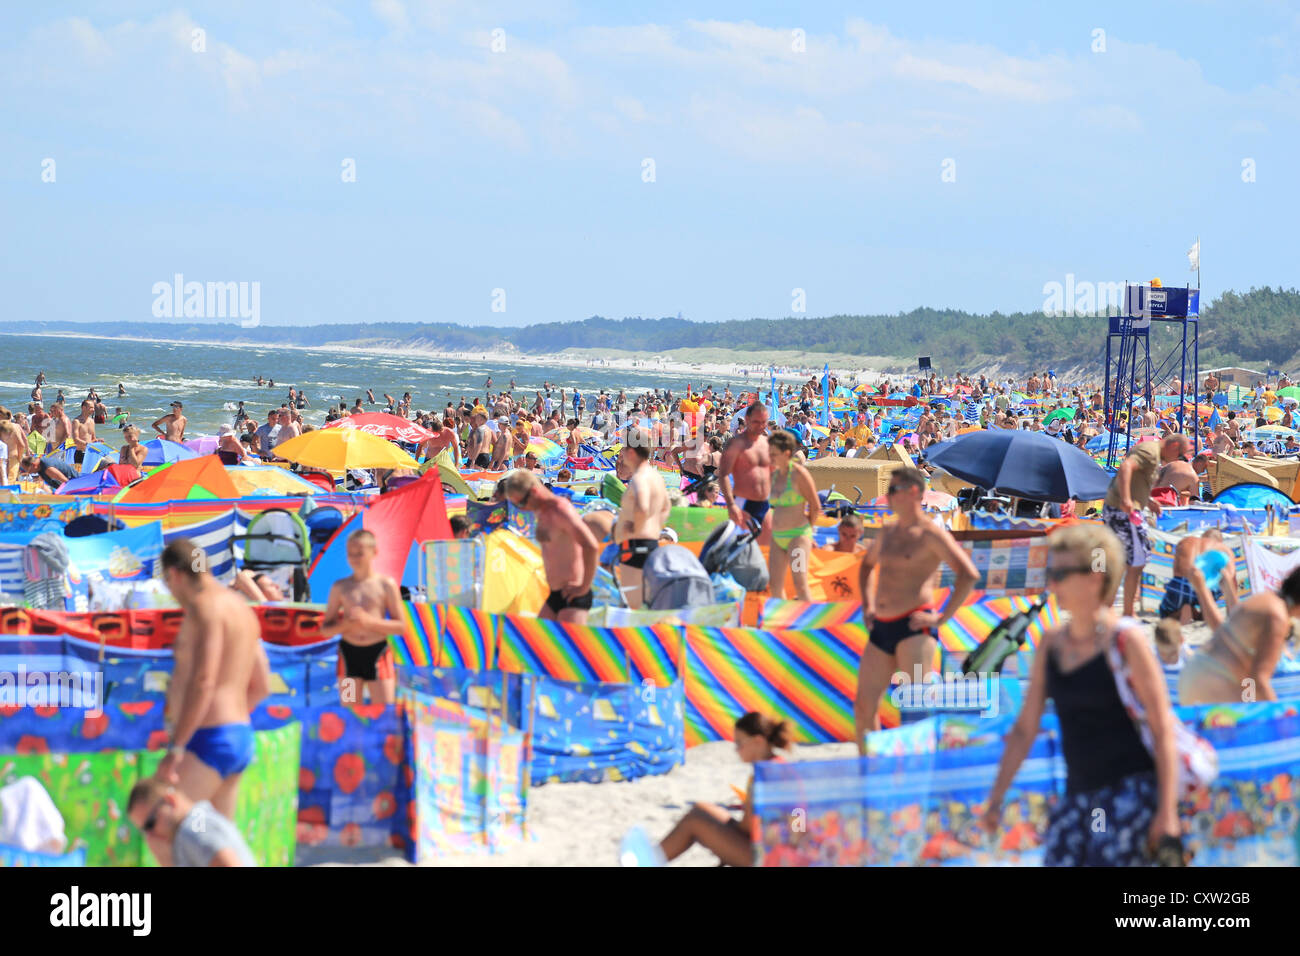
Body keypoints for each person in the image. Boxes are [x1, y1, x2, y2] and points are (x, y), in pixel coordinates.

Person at [981, 523, 1182, 866]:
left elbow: (1163, 729)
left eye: (1061, 573)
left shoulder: (1126, 641)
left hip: (1129, 796)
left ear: (1094, 577)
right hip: (1077, 798)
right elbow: (1024, 729)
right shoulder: (1051, 644)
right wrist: (996, 798)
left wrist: (1167, 814)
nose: (1052, 583)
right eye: (1050, 572)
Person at [852, 467, 977, 754]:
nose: (887, 496)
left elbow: (967, 574)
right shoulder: (888, 530)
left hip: (914, 628)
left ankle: (915, 778)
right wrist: (868, 605)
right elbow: (867, 566)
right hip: (882, 625)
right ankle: (872, 771)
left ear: (912, 493)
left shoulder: (931, 533)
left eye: (892, 490)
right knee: (864, 706)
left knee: (915, 709)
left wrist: (942, 617)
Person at [157, 538, 272, 821]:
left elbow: (203, 680)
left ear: (174, 575)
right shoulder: (241, 609)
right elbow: (262, 685)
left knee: (163, 826)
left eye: (168, 584)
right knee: (216, 838)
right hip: (238, 735)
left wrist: (178, 747)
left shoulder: (203, 608)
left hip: (207, 738)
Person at [647, 711, 791, 867]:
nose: (736, 750)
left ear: (758, 741)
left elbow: (748, 828)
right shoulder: (780, 765)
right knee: (703, 811)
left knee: (695, 820)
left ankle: (646, 862)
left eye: (739, 744)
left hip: (766, 859)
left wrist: (720, 838)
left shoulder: (765, 775)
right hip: (780, 853)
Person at [1179, 566, 1300, 705]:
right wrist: (1281, 715)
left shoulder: (1264, 600)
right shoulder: (1277, 617)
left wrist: (1203, 590)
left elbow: (1220, 630)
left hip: (1196, 673)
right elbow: (1259, 679)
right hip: (1217, 679)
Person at [1102, 434, 1192, 617]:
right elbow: (1127, 467)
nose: (1177, 460)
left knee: (1129, 560)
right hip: (1124, 511)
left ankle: (1111, 609)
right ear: (1174, 446)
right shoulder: (1151, 452)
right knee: (1137, 559)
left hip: (1121, 509)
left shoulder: (1152, 452)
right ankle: (1123, 611)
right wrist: (1127, 499)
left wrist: (1148, 500)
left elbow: (1137, 479)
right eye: (1179, 454)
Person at [320, 530, 406, 707]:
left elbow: (401, 627)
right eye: (351, 554)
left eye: (359, 553)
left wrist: (369, 622)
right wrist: (346, 624)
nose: (355, 558)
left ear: (374, 552)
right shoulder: (341, 587)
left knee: (383, 713)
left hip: (378, 654)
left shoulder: (385, 585)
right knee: (351, 714)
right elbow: (325, 629)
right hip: (348, 656)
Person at [503, 469, 599, 624]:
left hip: (573, 595)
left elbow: (591, 546)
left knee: (565, 646)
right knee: (537, 644)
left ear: (534, 492)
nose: (521, 509)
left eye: (521, 503)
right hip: (555, 594)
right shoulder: (540, 511)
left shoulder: (560, 510)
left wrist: (583, 587)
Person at [127, 777, 255, 867]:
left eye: (151, 823)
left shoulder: (192, 830)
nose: (150, 836)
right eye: (144, 830)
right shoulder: (198, 819)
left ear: (170, 800)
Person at [613, 431, 671, 609]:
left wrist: (631, 528)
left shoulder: (639, 478)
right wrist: (654, 526)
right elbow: (666, 507)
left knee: (632, 606)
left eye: (623, 449)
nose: (621, 454)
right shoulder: (656, 477)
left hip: (635, 546)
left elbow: (643, 507)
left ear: (631, 452)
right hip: (650, 543)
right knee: (645, 604)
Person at [765, 430, 821, 601]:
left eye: (774, 454)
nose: (770, 457)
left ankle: (809, 626)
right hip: (778, 536)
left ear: (786, 453)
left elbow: (815, 505)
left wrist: (808, 531)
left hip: (798, 535)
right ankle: (781, 623)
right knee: (774, 585)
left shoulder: (799, 474)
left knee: (800, 583)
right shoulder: (774, 475)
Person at [717, 402, 773, 541]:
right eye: (756, 422)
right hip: (744, 503)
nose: (760, 426)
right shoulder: (736, 444)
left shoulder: (767, 444)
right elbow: (723, 474)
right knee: (741, 546)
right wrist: (730, 504)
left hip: (765, 503)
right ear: (747, 420)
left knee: (766, 546)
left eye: (763, 422)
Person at [1158, 529, 1236, 625]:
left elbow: (1177, 570)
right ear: (1220, 541)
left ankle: (1183, 610)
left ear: (1202, 536)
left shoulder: (1187, 541)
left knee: (1165, 613)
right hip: (1209, 588)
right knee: (1208, 606)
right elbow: (1230, 580)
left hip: (1183, 583)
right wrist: (1231, 612)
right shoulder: (1224, 549)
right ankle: (1201, 613)